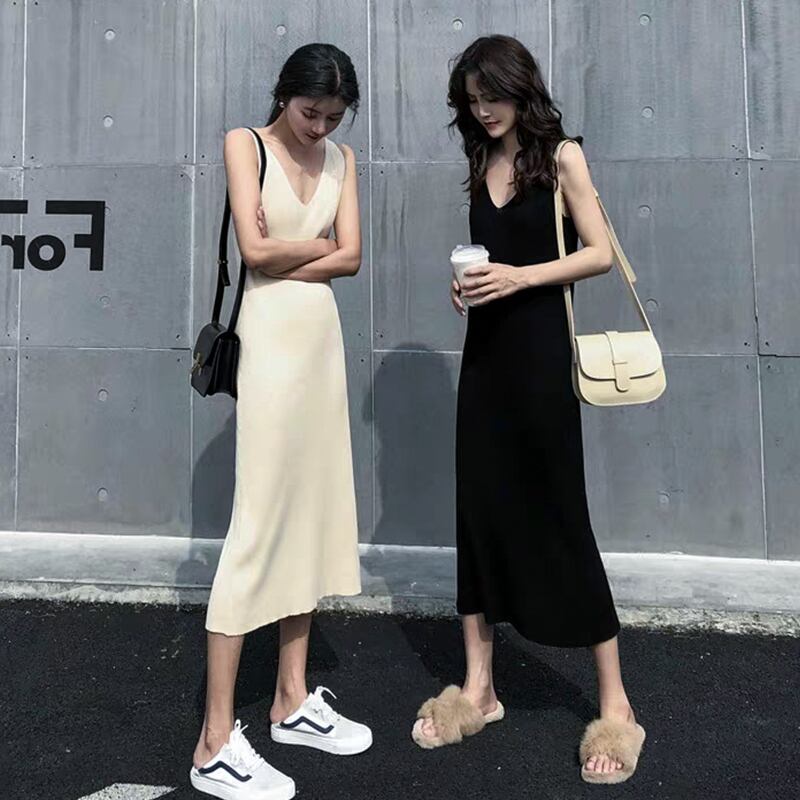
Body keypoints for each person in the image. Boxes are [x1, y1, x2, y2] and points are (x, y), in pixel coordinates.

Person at [411, 35, 646, 785]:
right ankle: (480, 689)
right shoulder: (481, 158)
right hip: (486, 360)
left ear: (521, 89)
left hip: (542, 359)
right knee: (478, 515)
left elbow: (599, 253)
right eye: (472, 100)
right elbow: (490, 256)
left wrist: (520, 278)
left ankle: (617, 705)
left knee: (560, 514)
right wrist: (468, 288)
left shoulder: (562, 156)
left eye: (493, 97)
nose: (483, 111)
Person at [190, 43, 372, 800]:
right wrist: (316, 247)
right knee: (259, 525)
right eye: (309, 112)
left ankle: (291, 701)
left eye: (332, 117)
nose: (319, 128)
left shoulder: (344, 160)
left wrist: (296, 250)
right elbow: (254, 253)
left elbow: (353, 258)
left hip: (320, 347)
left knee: (309, 515)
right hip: (269, 346)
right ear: (284, 95)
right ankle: (213, 742)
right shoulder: (246, 144)